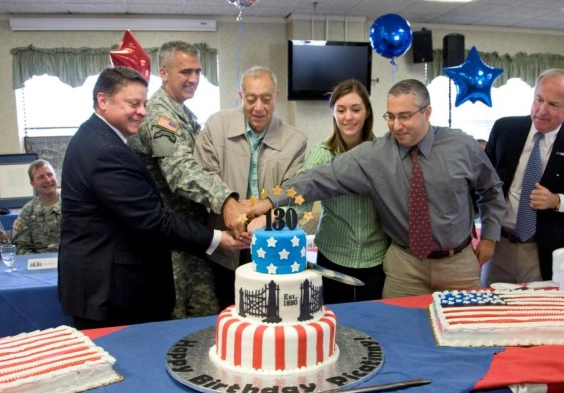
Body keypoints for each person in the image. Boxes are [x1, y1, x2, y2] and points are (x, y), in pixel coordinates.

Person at [256, 79, 505, 297]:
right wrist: (269, 202)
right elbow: (319, 177)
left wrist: (490, 237)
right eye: (391, 116)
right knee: (396, 333)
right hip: (404, 266)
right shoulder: (375, 154)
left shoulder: (461, 146)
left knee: (465, 336)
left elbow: (491, 189)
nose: (396, 125)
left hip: (458, 263)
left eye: (405, 116)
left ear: (427, 112)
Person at [58, 66, 249, 330]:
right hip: (112, 287)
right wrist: (220, 223)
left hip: (119, 276)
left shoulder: (103, 137)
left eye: (144, 104)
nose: (143, 112)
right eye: (133, 104)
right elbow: (162, 202)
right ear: (103, 101)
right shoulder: (112, 146)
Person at [129, 41, 258, 319]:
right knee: (177, 322)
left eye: (198, 71)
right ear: (163, 73)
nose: (194, 79)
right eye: (185, 71)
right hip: (170, 242)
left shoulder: (184, 114)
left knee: (207, 318)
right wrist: (225, 199)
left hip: (193, 238)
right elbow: (180, 171)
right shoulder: (161, 116)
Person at [194, 65, 307, 309]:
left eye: (266, 99)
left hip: (272, 245)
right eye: (251, 98)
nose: (259, 107)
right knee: (228, 314)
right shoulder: (217, 126)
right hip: (225, 242)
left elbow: (295, 193)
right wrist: (229, 205)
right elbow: (203, 175)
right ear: (240, 96)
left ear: (276, 96)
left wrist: (269, 218)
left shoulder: (295, 141)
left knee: (269, 313)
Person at [482, 69, 564, 284]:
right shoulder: (505, 129)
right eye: (539, 99)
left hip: (545, 248)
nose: (541, 110)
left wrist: (558, 201)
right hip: (500, 244)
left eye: (554, 104)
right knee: (491, 308)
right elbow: (482, 181)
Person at [303, 79, 389, 303]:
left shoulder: (383, 152)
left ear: (368, 112)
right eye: (341, 110)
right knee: (334, 325)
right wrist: (272, 219)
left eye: (356, 109)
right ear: (333, 112)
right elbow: (299, 199)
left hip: (376, 257)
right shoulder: (321, 155)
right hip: (332, 256)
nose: (348, 117)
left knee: (372, 324)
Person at [11, 159, 61, 254]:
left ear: (56, 176)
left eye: (50, 174)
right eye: (41, 177)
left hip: (69, 262)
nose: (47, 180)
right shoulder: (27, 211)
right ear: (32, 183)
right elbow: (21, 247)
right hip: (38, 265)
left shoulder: (73, 205)